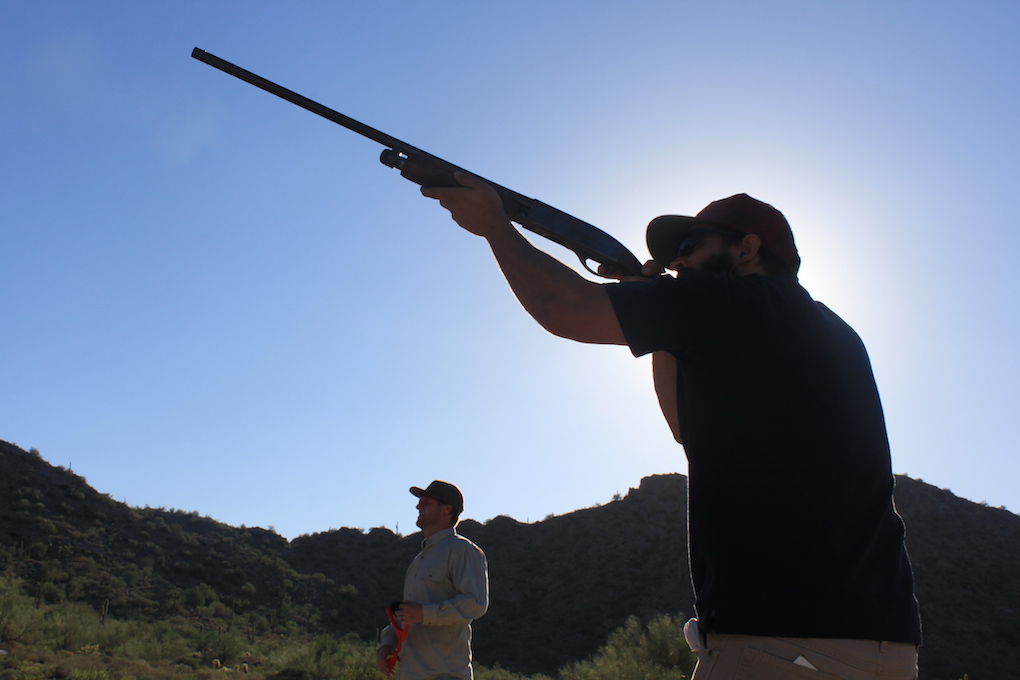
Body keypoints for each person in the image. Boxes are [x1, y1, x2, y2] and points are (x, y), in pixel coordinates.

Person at [420, 175, 921, 680]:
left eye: (690, 246)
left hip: (786, 644)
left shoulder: (739, 302)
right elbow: (684, 427)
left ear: (747, 249)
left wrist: (496, 228)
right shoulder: (819, 327)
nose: (678, 263)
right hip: (866, 642)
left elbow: (564, 309)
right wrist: (660, 326)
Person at [377, 480, 489, 680]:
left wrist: (424, 613)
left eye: (426, 502)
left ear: (447, 510)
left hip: (445, 674)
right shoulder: (419, 560)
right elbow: (408, 614)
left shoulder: (463, 550)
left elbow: (476, 604)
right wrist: (388, 643)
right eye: (420, 501)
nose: (418, 506)